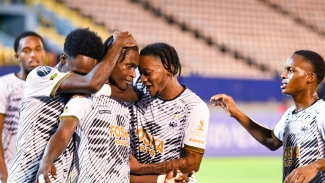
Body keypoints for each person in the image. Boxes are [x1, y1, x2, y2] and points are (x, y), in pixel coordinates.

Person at [7, 28, 137, 182]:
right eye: (79, 72)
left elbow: (130, 94)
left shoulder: (82, 91)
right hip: (24, 177)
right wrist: (118, 44)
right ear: (63, 58)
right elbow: (92, 83)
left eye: (87, 74)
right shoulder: (40, 76)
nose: (81, 79)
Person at [210, 50, 325, 183]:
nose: (283, 75)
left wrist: (315, 166)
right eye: (285, 70)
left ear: (310, 78)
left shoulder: (321, 112)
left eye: (291, 71)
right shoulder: (289, 114)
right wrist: (236, 113)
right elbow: (271, 140)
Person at [116, 42, 210, 183]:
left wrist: (142, 168)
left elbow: (192, 162)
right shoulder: (135, 96)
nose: (142, 79)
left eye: (147, 73)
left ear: (169, 69)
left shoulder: (193, 107)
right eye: (141, 73)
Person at [0, 31, 45, 183]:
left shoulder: (52, 87)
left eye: (38, 49)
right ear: (17, 56)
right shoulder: (4, 85)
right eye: (26, 50)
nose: (33, 54)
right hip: (11, 171)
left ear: (44, 53)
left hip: (38, 173)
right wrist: (4, 174)